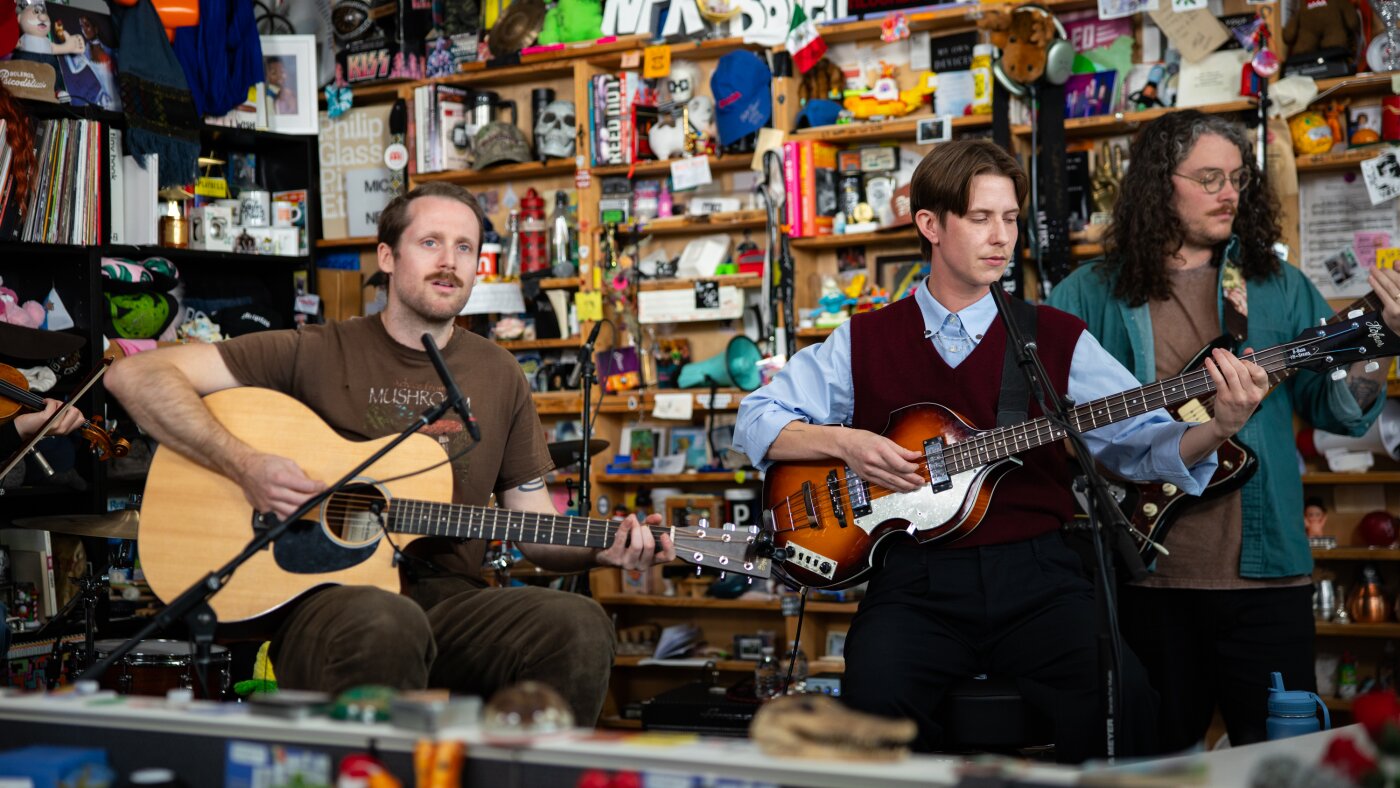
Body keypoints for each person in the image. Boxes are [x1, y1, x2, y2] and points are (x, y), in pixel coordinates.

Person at [734, 139, 1270, 763]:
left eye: (1011, 218)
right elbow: (756, 418)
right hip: (914, 585)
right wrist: (845, 442)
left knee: (1125, 696)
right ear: (930, 225)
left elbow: (1138, 446)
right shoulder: (863, 339)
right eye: (981, 218)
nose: (1002, 237)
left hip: (1039, 578)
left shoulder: (1055, 336)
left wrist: (1221, 425)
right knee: (872, 702)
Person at [104, 181, 675, 722]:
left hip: (454, 603)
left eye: (464, 248)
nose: (449, 261)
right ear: (387, 257)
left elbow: (533, 528)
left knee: (577, 622)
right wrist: (243, 464)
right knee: (386, 620)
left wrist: (604, 550)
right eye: (430, 243)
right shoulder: (317, 351)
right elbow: (138, 375)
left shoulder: (498, 373)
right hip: (330, 604)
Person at [1048, 110, 1400, 753]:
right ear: (1160, 183)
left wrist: (1381, 345)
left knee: (1280, 764)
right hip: (1145, 578)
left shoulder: (1276, 287)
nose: (1229, 193)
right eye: (1209, 178)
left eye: (1237, 178)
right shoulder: (1087, 293)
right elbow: (1042, 421)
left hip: (1269, 582)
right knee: (1153, 764)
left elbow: (1339, 410)